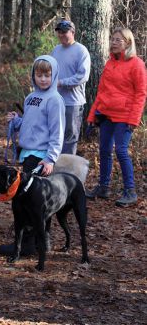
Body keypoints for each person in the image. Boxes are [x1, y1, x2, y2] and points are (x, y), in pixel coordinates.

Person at [0, 55, 65, 256]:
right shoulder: (30, 97)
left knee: (31, 202)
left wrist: (50, 158)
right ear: (33, 75)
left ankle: (28, 244)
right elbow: (31, 123)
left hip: (41, 158)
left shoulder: (55, 100)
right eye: (39, 74)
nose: (43, 79)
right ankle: (41, 243)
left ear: (53, 76)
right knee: (32, 200)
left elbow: (57, 131)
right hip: (27, 154)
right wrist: (17, 121)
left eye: (47, 75)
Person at [86, 27, 146, 207]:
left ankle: (130, 191)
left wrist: (133, 120)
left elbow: (141, 94)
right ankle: (103, 187)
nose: (113, 43)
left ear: (128, 43)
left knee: (121, 151)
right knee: (104, 150)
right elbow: (101, 92)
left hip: (125, 116)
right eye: (112, 39)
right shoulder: (109, 63)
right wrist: (92, 115)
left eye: (118, 40)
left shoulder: (136, 64)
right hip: (105, 114)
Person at [51, 19, 91, 154]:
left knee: (70, 137)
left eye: (64, 32)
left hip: (73, 102)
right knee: (56, 134)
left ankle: (67, 171)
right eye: (59, 32)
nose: (61, 35)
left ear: (72, 32)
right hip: (56, 100)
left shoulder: (81, 50)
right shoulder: (56, 50)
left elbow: (82, 76)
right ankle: (54, 167)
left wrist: (61, 82)